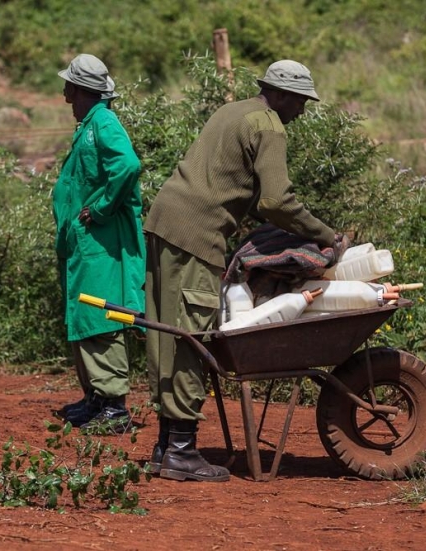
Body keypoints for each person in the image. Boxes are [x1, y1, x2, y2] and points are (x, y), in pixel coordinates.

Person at [143, 60, 342, 482]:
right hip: (197, 234)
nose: (302, 112)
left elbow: (240, 190)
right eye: (301, 102)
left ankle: (165, 446)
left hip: (164, 223)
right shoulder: (269, 125)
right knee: (190, 335)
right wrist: (327, 235)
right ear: (283, 95)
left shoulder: (232, 111)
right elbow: (276, 201)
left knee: (166, 329)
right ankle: (180, 451)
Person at [52, 54, 145, 433]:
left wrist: (101, 208)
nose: (64, 95)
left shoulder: (104, 123)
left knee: (102, 317)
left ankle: (114, 406)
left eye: (69, 88)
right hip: (88, 244)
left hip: (104, 244)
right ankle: (96, 398)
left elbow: (127, 166)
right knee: (87, 315)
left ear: (82, 90)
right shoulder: (91, 124)